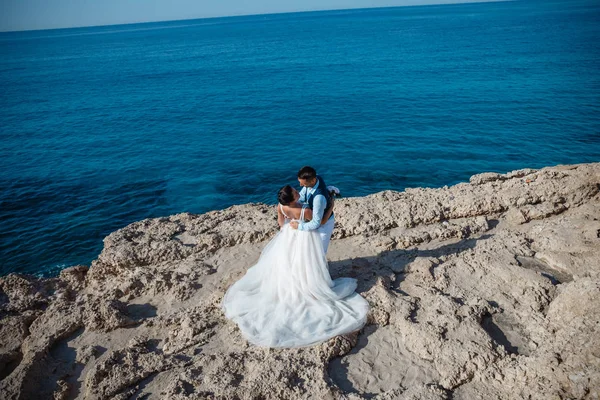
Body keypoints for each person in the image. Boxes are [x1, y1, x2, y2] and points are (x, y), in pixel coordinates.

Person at [221, 184, 369, 348]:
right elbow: (321, 221)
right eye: (296, 193)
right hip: (303, 236)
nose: (299, 192)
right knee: (306, 261)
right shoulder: (303, 212)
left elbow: (280, 222)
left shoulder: (281, 206)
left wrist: (287, 230)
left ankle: (294, 281)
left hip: (288, 235)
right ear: (292, 200)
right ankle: (306, 285)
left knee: (289, 261)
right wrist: (332, 203)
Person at [289, 166, 335, 254]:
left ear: (313, 180)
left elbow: (317, 223)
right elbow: (302, 196)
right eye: (300, 182)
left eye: (303, 184)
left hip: (324, 224)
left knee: (320, 252)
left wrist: (299, 227)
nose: (300, 185)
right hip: (314, 218)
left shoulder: (319, 198)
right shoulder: (316, 177)